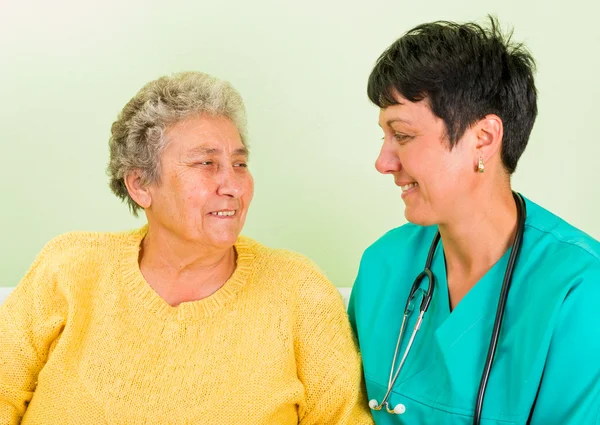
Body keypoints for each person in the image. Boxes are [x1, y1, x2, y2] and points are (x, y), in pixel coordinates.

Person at [0, 71, 374, 425]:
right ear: (141, 185)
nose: (233, 185)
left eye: (240, 163)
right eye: (206, 163)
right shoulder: (69, 267)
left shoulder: (298, 291)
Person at [348, 17, 600, 425]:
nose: (383, 162)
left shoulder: (579, 290)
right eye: (384, 137)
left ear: (483, 138)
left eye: (404, 135)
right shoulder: (383, 264)